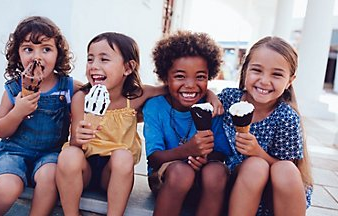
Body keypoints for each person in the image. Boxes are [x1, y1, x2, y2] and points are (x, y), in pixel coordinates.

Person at [55, 32, 223, 216]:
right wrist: (78, 139)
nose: (94, 66)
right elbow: (76, 145)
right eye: (90, 59)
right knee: (69, 154)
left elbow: (175, 88)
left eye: (104, 59)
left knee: (123, 156)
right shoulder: (82, 98)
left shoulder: (136, 97)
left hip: (113, 173)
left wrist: (210, 94)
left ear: (128, 68)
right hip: (83, 169)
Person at [0, 16, 81, 216]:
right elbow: (0, 130)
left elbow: (99, 90)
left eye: (46, 49)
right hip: (13, 152)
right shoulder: (13, 89)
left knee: (51, 176)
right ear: (17, 54)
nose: (37, 56)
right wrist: (17, 112)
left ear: (58, 54)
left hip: (50, 155)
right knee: (5, 188)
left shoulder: (67, 87)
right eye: (28, 49)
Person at [218, 36, 313, 216]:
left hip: (272, 197)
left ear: (290, 81)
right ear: (245, 70)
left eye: (276, 74)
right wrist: (208, 95)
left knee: (283, 168)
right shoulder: (228, 99)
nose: (264, 81)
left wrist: (258, 152)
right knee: (255, 167)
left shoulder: (286, 117)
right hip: (234, 186)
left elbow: (287, 168)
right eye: (257, 70)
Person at [143, 30, 231, 216]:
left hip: (203, 179)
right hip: (167, 177)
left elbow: (221, 152)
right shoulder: (155, 107)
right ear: (166, 78)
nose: (190, 85)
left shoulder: (213, 108)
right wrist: (188, 150)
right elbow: (154, 158)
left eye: (200, 77)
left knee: (217, 171)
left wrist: (205, 159)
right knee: (182, 173)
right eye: (180, 76)